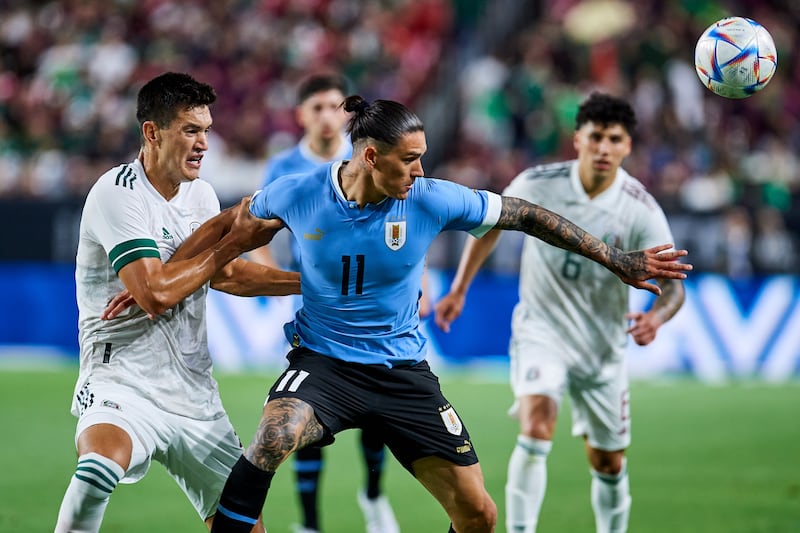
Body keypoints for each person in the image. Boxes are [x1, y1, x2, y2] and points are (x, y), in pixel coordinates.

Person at [194, 94, 690, 533]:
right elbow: (230, 223)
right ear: (370, 156)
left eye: (422, 159)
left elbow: (525, 214)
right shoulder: (301, 192)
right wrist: (164, 274)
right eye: (409, 160)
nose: (420, 172)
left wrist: (614, 258)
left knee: (479, 517)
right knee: (272, 436)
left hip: (402, 373)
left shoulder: (430, 198)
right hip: (324, 363)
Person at [54, 71, 300, 533]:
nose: (204, 142)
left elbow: (225, 276)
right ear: (152, 132)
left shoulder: (199, 194)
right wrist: (233, 241)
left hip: (194, 393)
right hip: (122, 379)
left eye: (206, 129)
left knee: (243, 524)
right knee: (98, 470)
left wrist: (308, 283)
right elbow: (155, 294)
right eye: (191, 130)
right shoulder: (117, 193)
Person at [434, 92, 687, 533]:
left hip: (602, 345)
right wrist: (459, 288)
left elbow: (674, 288)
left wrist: (656, 317)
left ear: (628, 146)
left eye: (614, 139)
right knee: (537, 423)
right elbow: (489, 226)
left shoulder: (641, 208)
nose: (604, 148)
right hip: (541, 329)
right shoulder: (537, 182)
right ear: (577, 139)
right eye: (596, 137)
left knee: (607, 461)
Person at [251, 72, 400, 533]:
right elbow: (259, 230)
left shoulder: (365, 158)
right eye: (317, 107)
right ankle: (309, 523)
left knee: (379, 410)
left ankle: (373, 495)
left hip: (372, 302)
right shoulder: (282, 169)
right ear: (300, 115)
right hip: (314, 305)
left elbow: (403, 215)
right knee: (307, 409)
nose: (327, 116)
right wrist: (276, 280)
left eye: (336, 106)